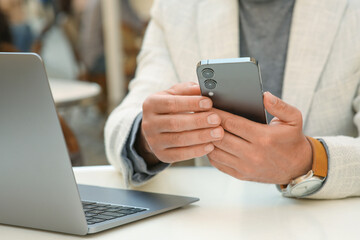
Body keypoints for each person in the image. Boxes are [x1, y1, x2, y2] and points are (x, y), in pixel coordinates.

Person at [105, 0, 360, 199]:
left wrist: (308, 160)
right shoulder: (176, 7)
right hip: (215, 221)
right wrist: (147, 139)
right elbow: (124, 121)